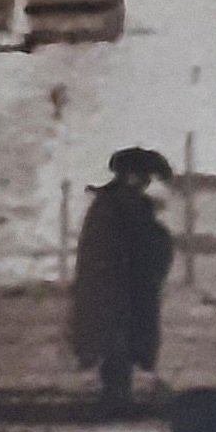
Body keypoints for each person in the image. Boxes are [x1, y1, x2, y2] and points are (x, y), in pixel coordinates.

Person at [70, 147, 175, 413]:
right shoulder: (117, 207)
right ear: (131, 176)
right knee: (117, 345)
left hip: (126, 289)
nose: (146, 182)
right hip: (117, 292)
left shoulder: (119, 205)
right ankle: (115, 398)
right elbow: (115, 252)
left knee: (122, 346)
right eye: (144, 176)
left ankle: (118, 396)